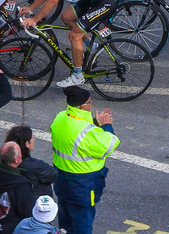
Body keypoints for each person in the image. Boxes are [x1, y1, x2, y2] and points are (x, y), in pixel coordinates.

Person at [50, 85, 118, 234]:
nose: (90, 105)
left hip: (62, 181)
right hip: (82, 186)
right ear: (82, 106)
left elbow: (75, 133)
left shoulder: (60, 117)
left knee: (65, 223)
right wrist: (106, 126)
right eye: (89, 102)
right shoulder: (87, 133)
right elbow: (109, 144)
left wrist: (94, 123)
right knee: (82, 225)